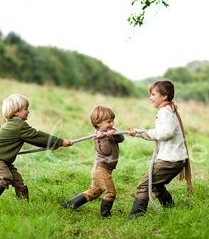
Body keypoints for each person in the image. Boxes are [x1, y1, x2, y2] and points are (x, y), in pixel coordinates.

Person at [0, 93, 73, 205]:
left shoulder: (14, 124)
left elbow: (35, 138)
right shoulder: (19, 126)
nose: (28, 111)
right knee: (4, 177)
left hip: (2, 159)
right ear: (16, 112)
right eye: (26, 109)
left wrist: (50, 144)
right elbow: (37, 136)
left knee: (18, 181)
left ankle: (24, 206)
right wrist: (60, 141)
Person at [127, 80, 192, 218]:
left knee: (145, 185)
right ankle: (170, 209)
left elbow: (166, 132)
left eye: (153, 94)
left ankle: (136, 217)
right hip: (175, 158)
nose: (150, 98)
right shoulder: (168, 110)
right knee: (156, 185)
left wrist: (146, 134)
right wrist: (139, 132)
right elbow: (161, 131)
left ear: (164, 96)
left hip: (170, 160)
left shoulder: (165, 111)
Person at [62, 105, 124, 217]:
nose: (112, 124)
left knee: (93, 193)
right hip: (101, 170)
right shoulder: (97, 138)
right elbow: (106, 151)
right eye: (109, 121)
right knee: (110, 192)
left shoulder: (109, 131)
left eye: (113, 121)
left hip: (105, 169)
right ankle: (106, 216)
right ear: (98, 123)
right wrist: (104, 138)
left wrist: (115, 132)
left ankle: (68, 205)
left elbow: (121, 139)